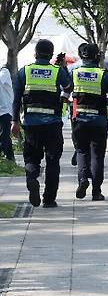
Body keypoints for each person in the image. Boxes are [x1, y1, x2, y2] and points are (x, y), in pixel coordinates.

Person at [11, 39, 72, 208]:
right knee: (53, 161)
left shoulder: (25, 71)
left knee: (31, 158)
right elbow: (69, 86)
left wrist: (14, 121)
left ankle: (32, 179)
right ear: (51, 55)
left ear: (35, 53)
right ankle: (49, 199)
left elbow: (16, 99)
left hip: (31, 125)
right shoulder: (56, 71)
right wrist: (63, 95)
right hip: (52, 124)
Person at [71, 43, 108, 201]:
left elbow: (66, 95)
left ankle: (82, 179)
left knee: (81, 152)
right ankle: (96, 191)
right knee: (97, 156)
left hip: (79, 120)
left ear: (82, 56)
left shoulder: (75, 73)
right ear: (97, 57)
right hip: (99, 121)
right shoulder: (103, 74)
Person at [0, 64, 14, 162]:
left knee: (4, 136)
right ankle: (10, 159)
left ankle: (9, 159)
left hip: (5, 110)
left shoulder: (4, 71)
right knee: (4, 137)